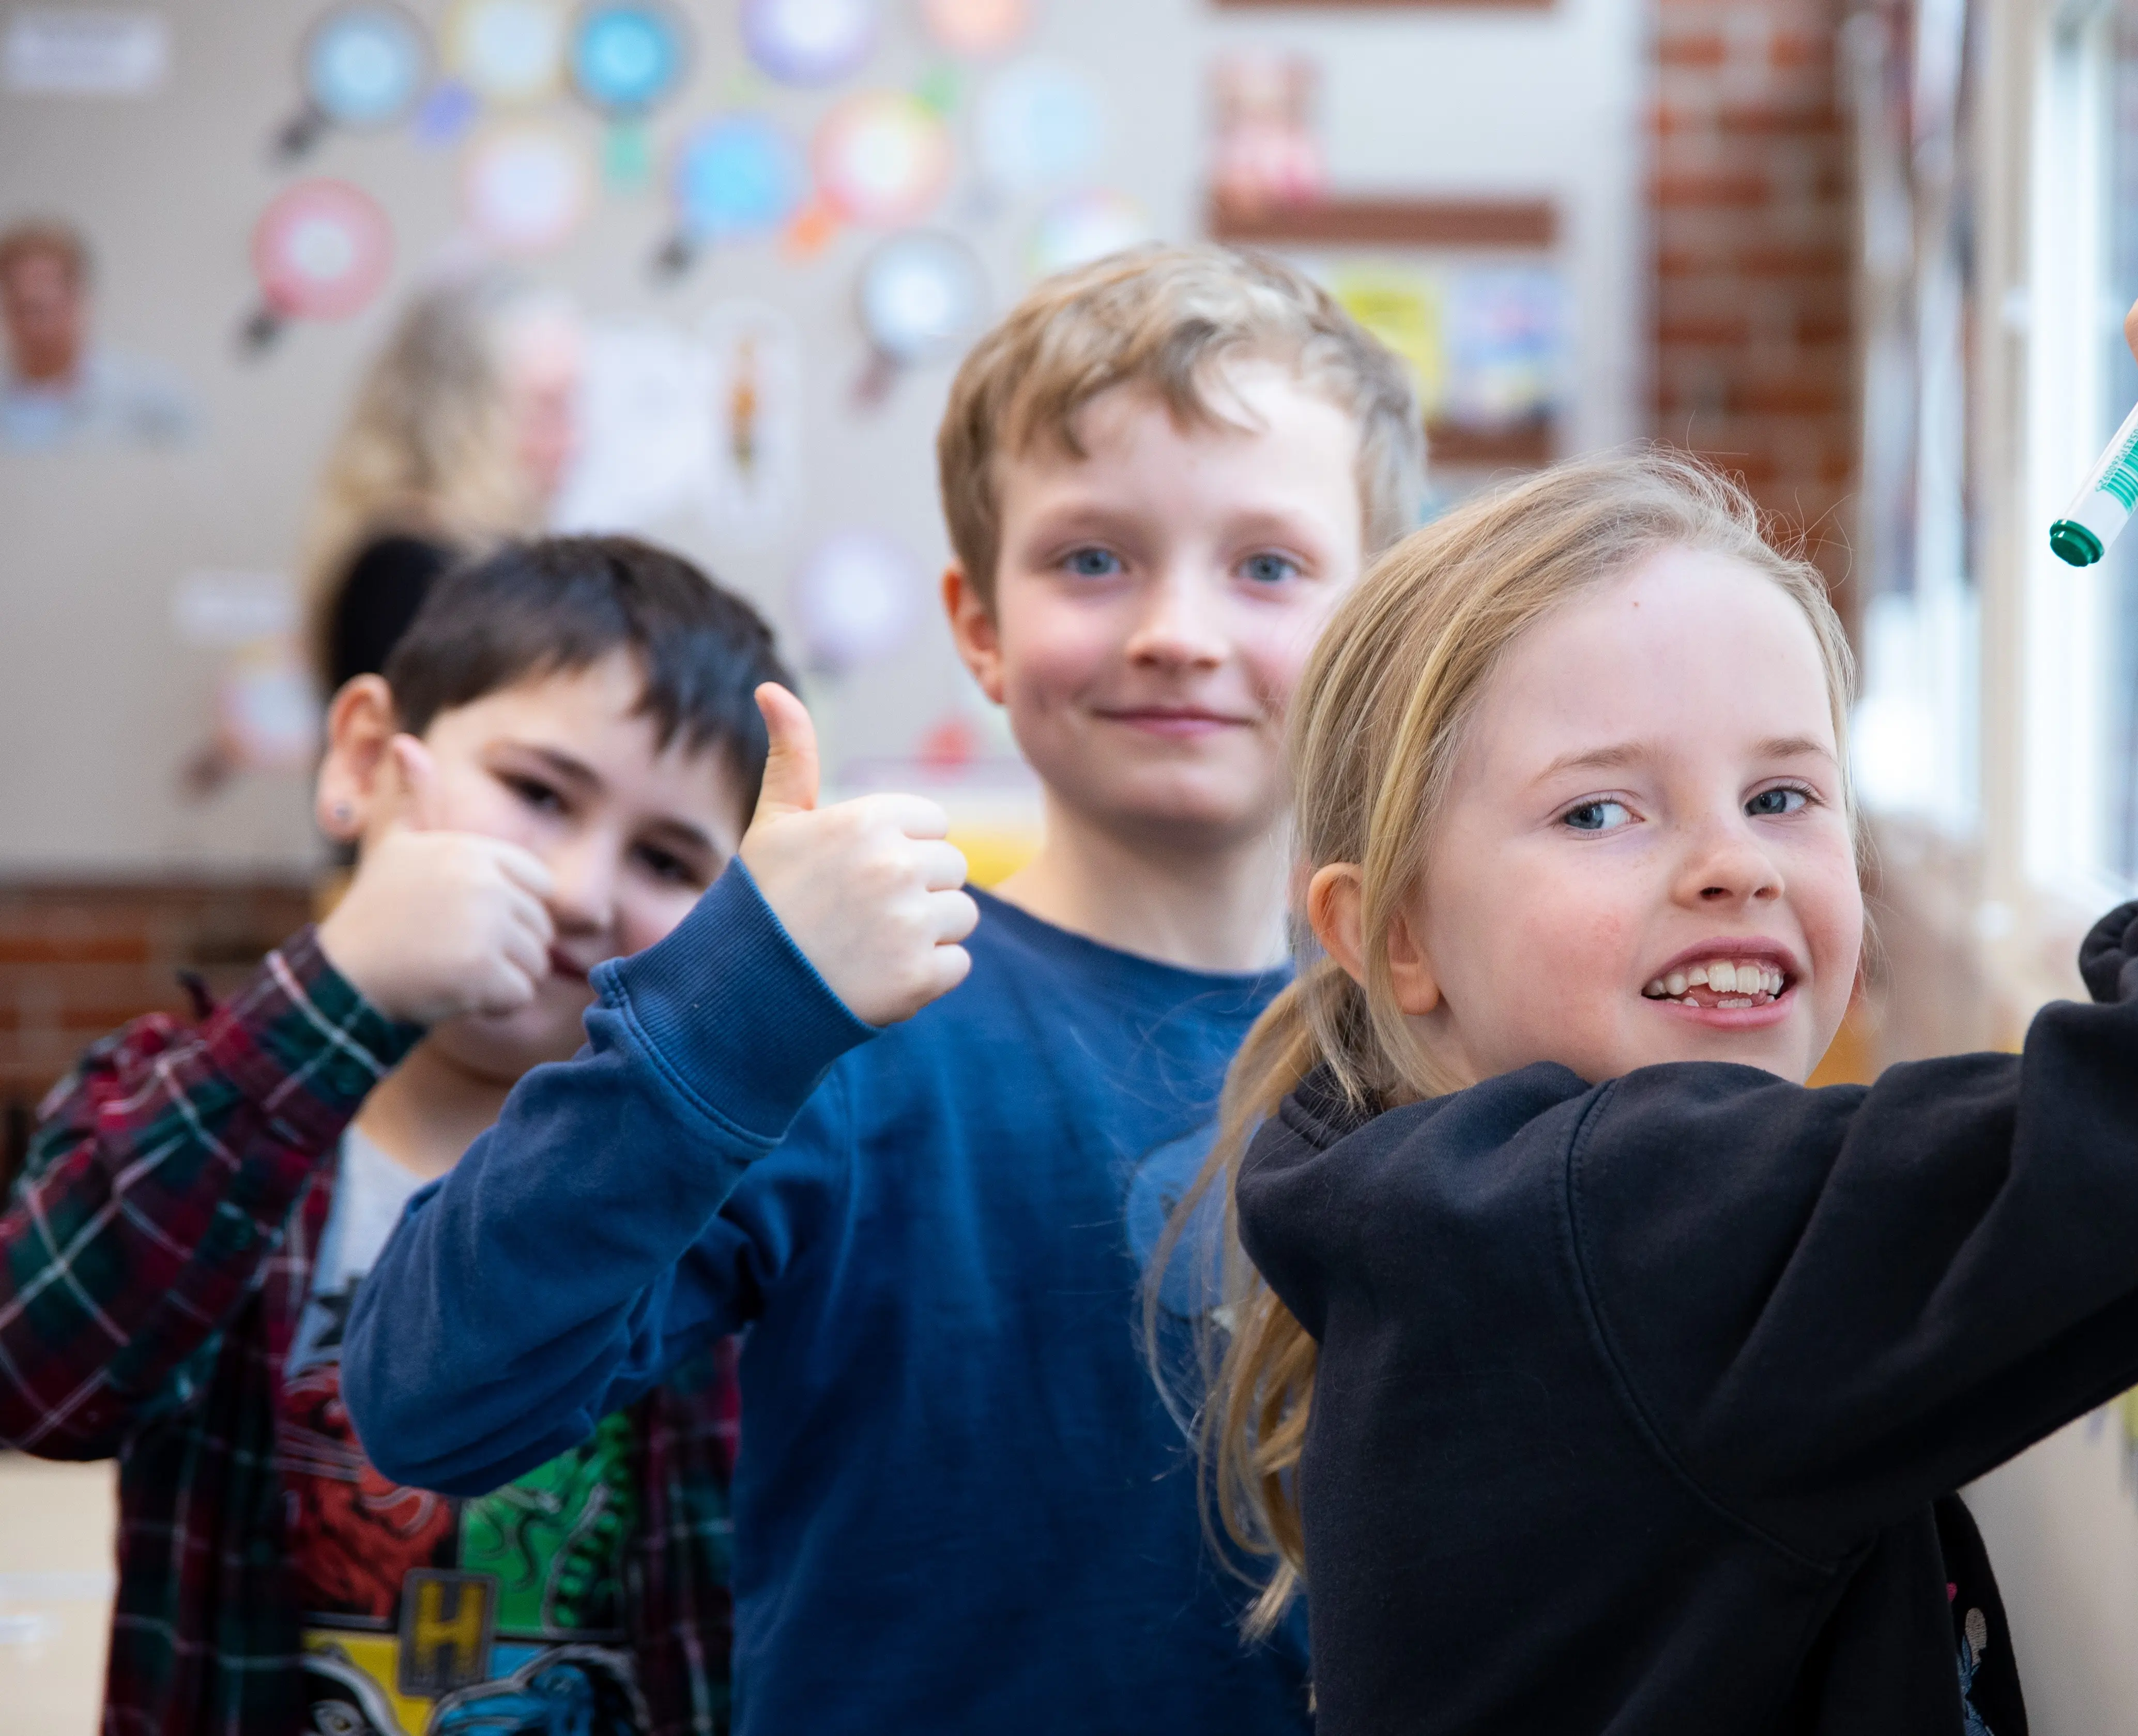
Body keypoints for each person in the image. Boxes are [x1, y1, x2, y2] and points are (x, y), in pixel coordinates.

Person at [1169, 250, 2138, 1732]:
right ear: (1396, 935)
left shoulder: (1461, 1198)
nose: (1733, 865)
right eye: (1600, 812)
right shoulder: (1625, 1229)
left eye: (1784, 793)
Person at [342, 246, 1423, 1732]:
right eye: (1092, 558)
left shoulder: (1442, 1051)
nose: (1179, 627)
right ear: (978, 624)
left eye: (1269, 565)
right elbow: (427, 1396)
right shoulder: (840, 1030)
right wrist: (738, 1004)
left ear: (1381, 631)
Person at [0, 536, 790, 1734]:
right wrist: (346, 980)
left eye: (667, 858)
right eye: (537, 790)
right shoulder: (187, 1090)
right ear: (366, 757)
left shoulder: (736, 1184)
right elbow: (34, 1379)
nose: (580, 888)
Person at [302, 279, 583, 694]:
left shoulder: (467, 562)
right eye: (547, 408)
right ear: (459, 413)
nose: (572, 440)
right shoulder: (407, 574)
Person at [0, 216, 192, 450]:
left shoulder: (153, 402)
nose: (36, 323)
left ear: (78, 297)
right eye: (23, 306)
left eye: (46, 305)